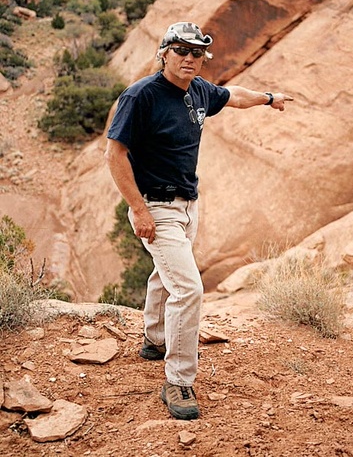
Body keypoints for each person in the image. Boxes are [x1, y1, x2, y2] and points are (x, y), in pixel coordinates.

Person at [104, 22, 294, 420]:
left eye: (197, 53)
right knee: (188, 288)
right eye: (181, 50)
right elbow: (114, 154)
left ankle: (155, 339)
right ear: (164, 53)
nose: (189, 58)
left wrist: (269, 98)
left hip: (188, 204)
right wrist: (138, 209)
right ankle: (177, 380)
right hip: (154, 205)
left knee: (167, 273)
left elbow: (235, 96)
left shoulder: (199, 90)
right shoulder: (141, 96)